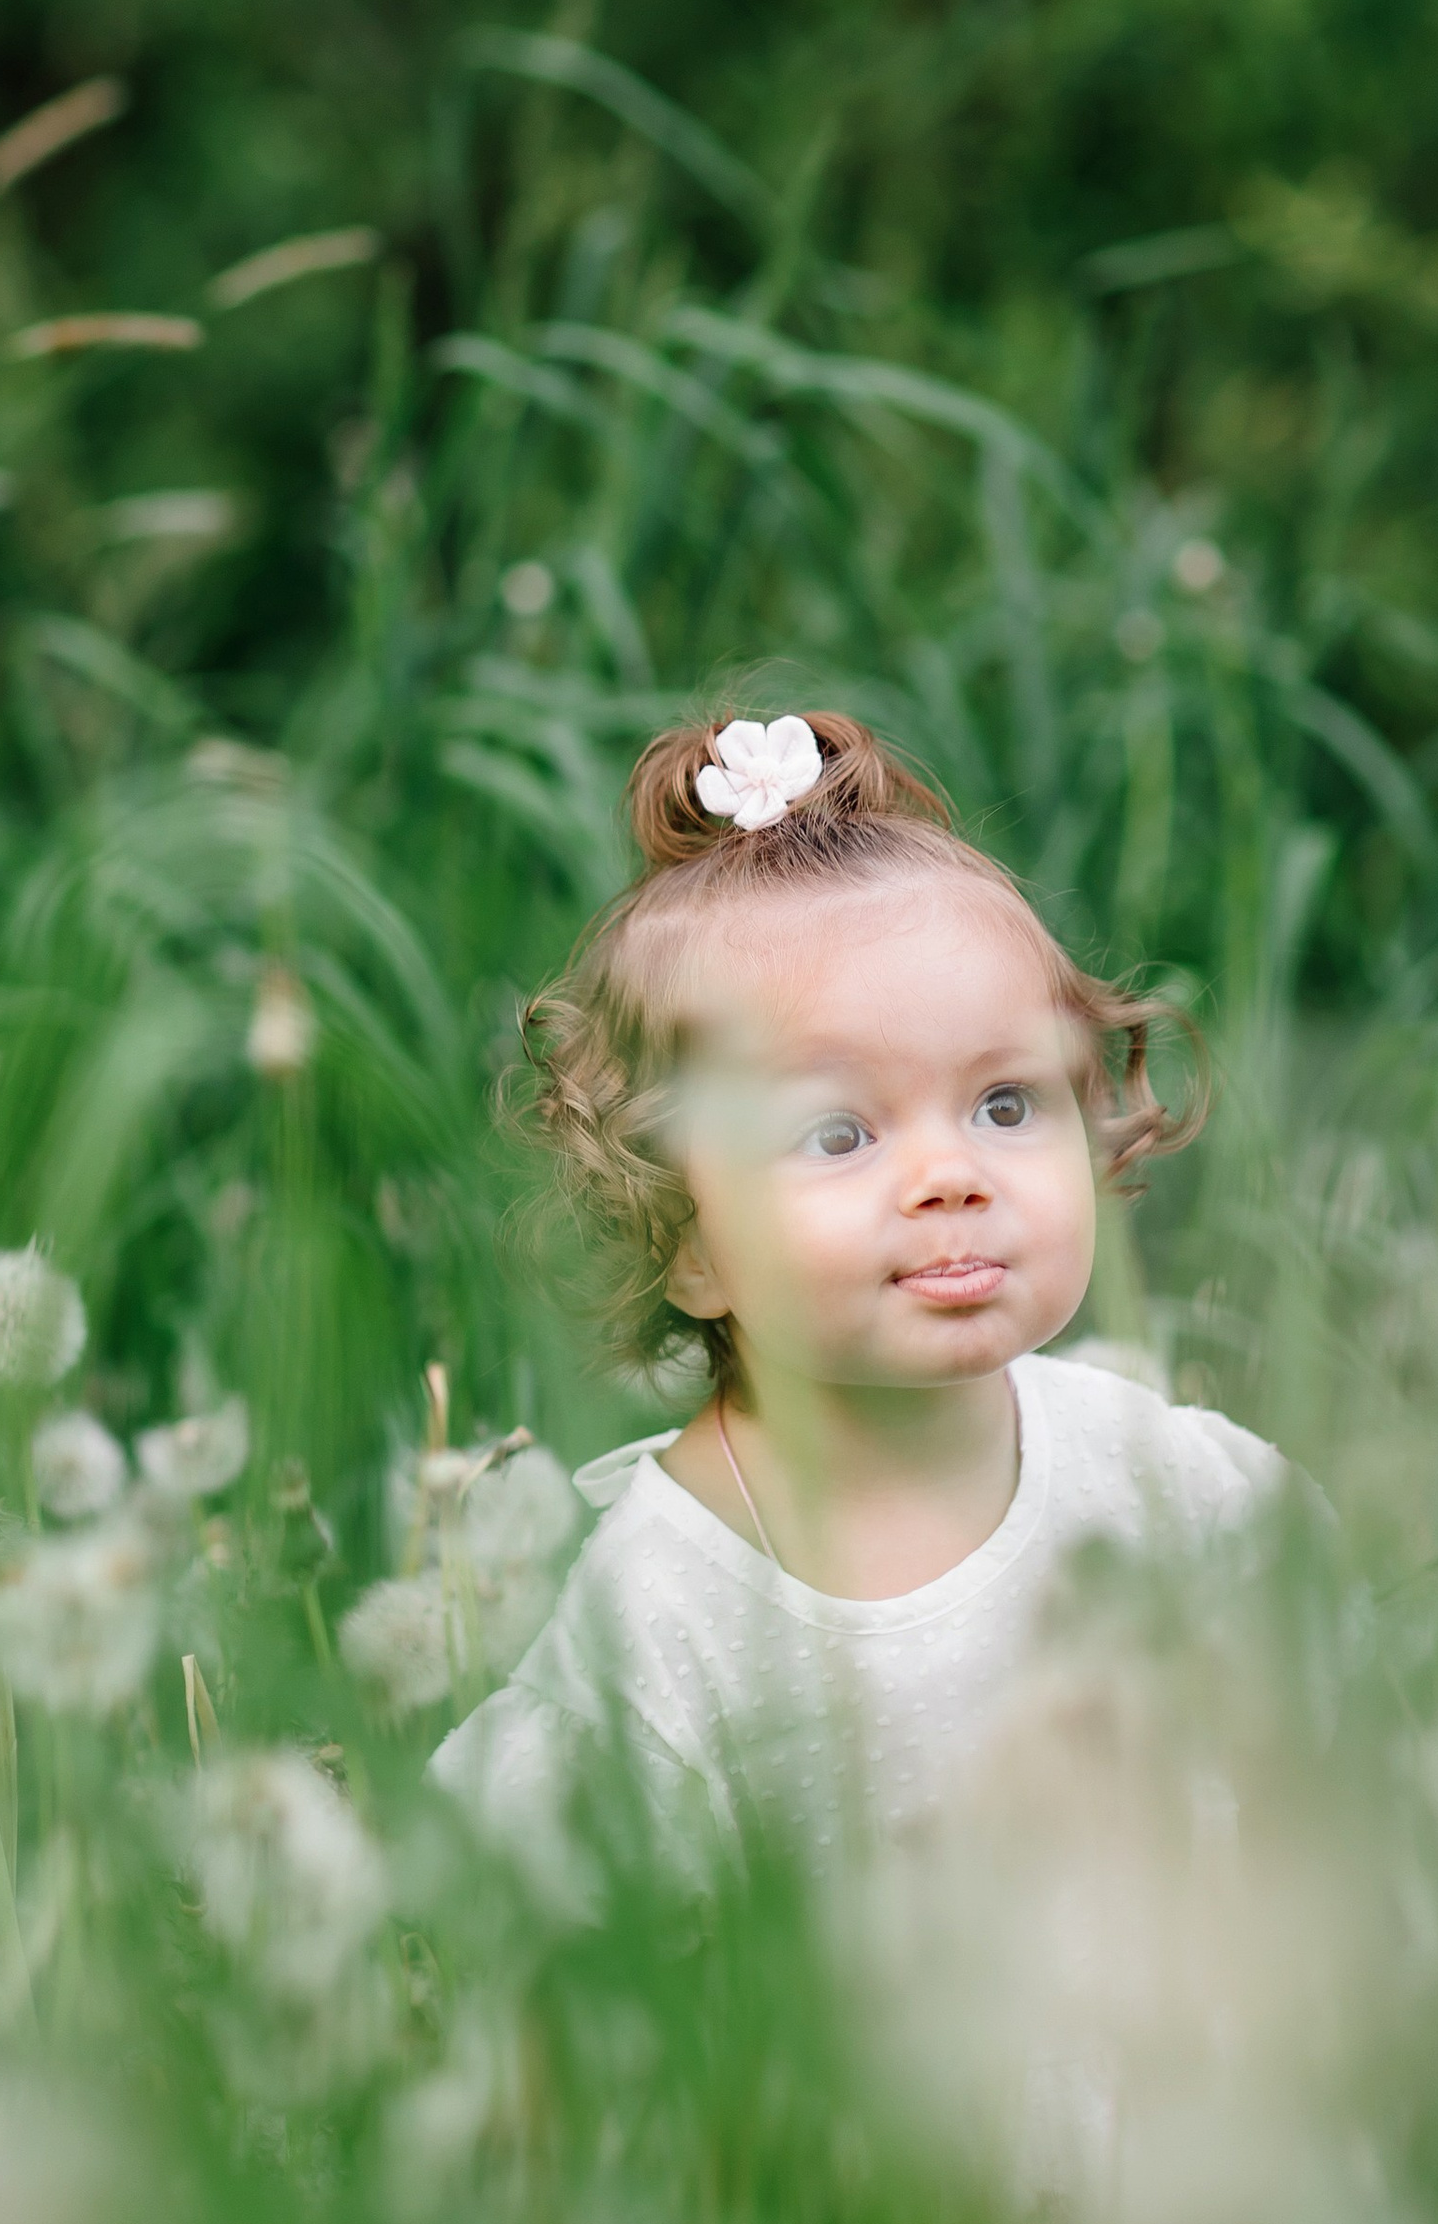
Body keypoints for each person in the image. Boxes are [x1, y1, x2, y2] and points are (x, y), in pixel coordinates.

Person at [429, 708, 1294, 1870]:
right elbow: (546, 1943)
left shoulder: (1169, 1486)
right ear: (686, 1241)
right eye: (837, 1133)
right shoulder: (665, 1619)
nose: (951, 1177)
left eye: (1004, 1104)